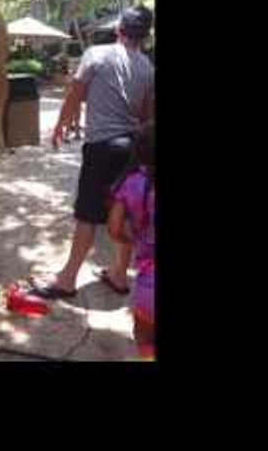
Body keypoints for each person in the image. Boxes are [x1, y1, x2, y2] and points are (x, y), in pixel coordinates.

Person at [29, 6, 154, 299]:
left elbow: (75, 94)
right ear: (145, 36)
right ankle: (119, 275)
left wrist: (61, 125)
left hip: (101, 147)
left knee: (87, 214)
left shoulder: (96, 55)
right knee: (124, 211)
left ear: (119, 29)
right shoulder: (148, 68)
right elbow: (147, 116)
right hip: (131, 148)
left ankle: (66, 280)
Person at [108, 124, 156, 360]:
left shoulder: (131, 183)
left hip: (149, 285)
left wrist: (132, 239)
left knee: (145, 343)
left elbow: (114, 228)